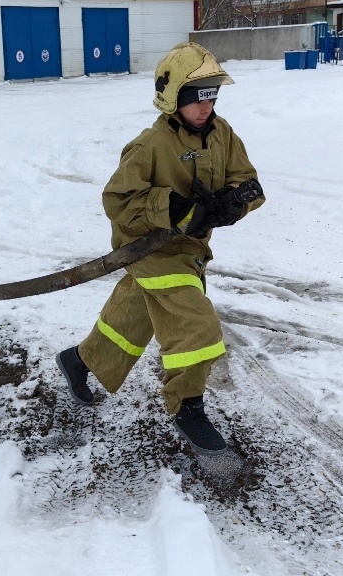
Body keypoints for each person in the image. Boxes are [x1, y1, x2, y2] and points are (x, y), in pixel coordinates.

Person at [55, 42, 265, 455]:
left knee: (132, 320)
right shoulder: (150, 145)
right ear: (173, 98)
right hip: (150, 250)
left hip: (190, 249)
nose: (206, 108)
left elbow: (247, 180)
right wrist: (171, 207)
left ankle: (79, 361)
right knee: (197, 325)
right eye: (196, 99)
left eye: (211, 97)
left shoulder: (223, 134)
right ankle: (187, 405)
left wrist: (235, 203)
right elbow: (117, 201)